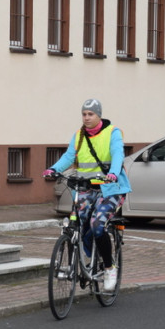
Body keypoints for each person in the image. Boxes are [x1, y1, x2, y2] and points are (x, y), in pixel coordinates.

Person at [43, 98, 132, 292]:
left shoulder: (112, 133)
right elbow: (69, 156)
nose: (86, 118)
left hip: (110, 189)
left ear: (99, 115)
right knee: (80, 223)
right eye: (84, 114)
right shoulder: (79, 135)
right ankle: (88, 259)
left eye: (90, 114)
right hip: (85, 188)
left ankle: (109, 268)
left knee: (97, 225)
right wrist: (53, 169)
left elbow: (118, 154)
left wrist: (113, 173)